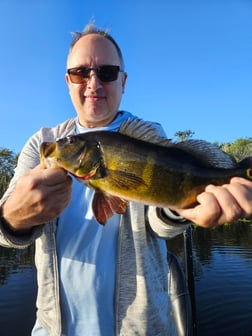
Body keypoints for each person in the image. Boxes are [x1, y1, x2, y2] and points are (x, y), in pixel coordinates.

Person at [1, 22, 252, 336]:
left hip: (141, 328)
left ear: (123, 81)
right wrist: (13, 216)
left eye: (106, 72)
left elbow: (157, 222)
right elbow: (4, 232)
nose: (93, 83)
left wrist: (183, 209)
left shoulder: (149, 137)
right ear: (68, 81)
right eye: (81, 73)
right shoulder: (42, 143)